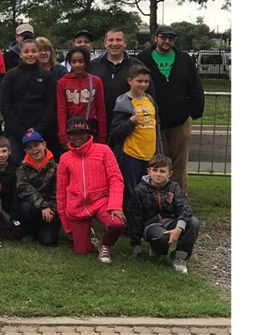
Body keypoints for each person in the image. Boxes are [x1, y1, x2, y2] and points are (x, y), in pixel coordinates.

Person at [136, 25, 204, 192]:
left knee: (179, 163)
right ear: (155, 38)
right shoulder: (143, 58)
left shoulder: (184, 59)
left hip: (180, 120)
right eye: (163, 37)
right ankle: (156, 198)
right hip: (152, 120)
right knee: (156, 162)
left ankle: (180, 197)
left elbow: (195, 86)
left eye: (171, 38)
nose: (167, 41)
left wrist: (194, 111)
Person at [56, 117, 125, 263]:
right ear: (68, 135)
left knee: (117, 223)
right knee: (82, 250)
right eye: (73, 133)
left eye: (82, 132)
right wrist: (66, 226)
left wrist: (115, 205)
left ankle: (105, 244)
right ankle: (89, 236)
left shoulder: (104, 150)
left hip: (101, 201)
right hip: (76, 206)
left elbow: (116, 179)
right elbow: (61, 193)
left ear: (88, 133)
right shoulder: (64, 158)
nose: (78, 137)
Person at [129, 155, 200, 274]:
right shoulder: (139, 190)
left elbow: (185, 209)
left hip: (171, 221)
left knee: (193, 222)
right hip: (151, 225)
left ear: (169, 173)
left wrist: (178, 228)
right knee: (162, 236)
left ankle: (179, 257)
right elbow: (135, 217)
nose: (158, 174)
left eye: (162, 171)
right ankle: (157, 250)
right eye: (154, 170)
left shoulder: (174, 187)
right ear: (148, 171)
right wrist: (136, 244)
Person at [109, 64, 162, 217]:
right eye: (139, 81)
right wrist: (130, 123)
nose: (143, 84)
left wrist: (159, 150)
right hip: (131, 155)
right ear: (130, 81)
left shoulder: (150, 100)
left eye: (146, 81)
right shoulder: (123, 102)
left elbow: (156, 126)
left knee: (147, 190)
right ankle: (129, 223)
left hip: (149, 154)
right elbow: (115, 132)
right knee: (130, 190)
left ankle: (144, 220)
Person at [0, 38, 57, 163]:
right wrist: (22, 131)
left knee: (44, 165)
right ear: (20, 54)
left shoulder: (46, 76)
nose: (30, 54)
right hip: (16, 132)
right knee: (14, 164)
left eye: (33, 51)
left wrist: (38, 129)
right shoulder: (11, 75)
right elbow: (5, 105)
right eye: (26, 51)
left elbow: (51, 105)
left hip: (41, 131)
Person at [89, 27, 153, 135]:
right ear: (105, 43)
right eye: (111, 40)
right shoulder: (92, 66)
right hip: (98, 125)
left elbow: (149, 94)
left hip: (129, 125)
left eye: (118, 40)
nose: (114, 43)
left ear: (125, 43)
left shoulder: (137, 66)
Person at [57, 47, 107, 152]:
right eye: (74, 62)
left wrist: (102, 136)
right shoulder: (62, 82)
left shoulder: (95, 81)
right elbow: (61, 111)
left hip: (90, 131)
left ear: (86, 62)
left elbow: (101, 110)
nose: (77, 65)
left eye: (81, 61)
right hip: (71, 132)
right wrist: (63, 137)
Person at [15, 131, 60, 246]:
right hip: (34, 207)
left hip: (51, 208)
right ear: (25, 151)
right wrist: (42, 206)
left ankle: (44, 229)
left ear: (44, 145)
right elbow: (23, 188)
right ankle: (30, 232)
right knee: (25, 207)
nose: (34, 149)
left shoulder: (56, 167)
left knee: (49, 241)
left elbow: (59, 191)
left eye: (36, 145)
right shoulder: (22, 168)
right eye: (29, 147)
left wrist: (51, 209)